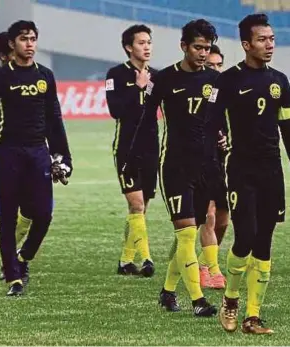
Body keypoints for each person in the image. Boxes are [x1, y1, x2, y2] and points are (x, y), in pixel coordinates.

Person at [208, 14, 290, 334]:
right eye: (263, 40)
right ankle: (231, 300)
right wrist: (217, 141)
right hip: (240, 169)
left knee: (264, 242)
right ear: (246, 44)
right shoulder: (227, 80)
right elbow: (209, 121)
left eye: (272, 39)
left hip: (271, 170)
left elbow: (289, 128)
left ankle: (253, 316)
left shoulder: (280, 80)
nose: (269, 45)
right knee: (245, 237)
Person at [0, 20, 72, 296]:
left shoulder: (45, 75)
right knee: (7, 217)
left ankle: (23, 257)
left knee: (43, 215)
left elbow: (55, 118)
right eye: (23, 39)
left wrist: (63, 155)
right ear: (12, 44)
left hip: (38, 153)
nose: (29, 44)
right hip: (7, 152)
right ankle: (13, 278)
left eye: (33, 39)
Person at [145, 19, 219, 317]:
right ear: (184, 46)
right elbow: (145, 120)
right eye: (198, 47)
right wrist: (140, 158)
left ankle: (167, 292)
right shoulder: (163, 79)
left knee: (190, 233)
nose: (203, 53)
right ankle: (198, 300)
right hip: (174, 166)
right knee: (188, 235)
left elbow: (215, 122)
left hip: (205, 166)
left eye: (208, 48)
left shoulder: (214, 80)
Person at [105, 24, 157, 277]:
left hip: (151, 148)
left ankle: (126, 261)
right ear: (128, 47)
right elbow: (115, 110)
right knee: (136, 206)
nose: (146, 47)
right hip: (127, 148)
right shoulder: (115, 75)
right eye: (141, 43)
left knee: (141, 208)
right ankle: (147, 259)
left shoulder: (156, 76)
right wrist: (137, 86)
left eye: (149, 42)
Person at [197, 43, 229, 289]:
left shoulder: (227, 92)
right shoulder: (197, 92)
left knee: (223, 221)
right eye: (211, 65)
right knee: (207, 217)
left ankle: (201, 263)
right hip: (198, 161)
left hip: (222, 164)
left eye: (220, 65)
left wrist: (227, 139)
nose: (216, 70)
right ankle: (212, 271)